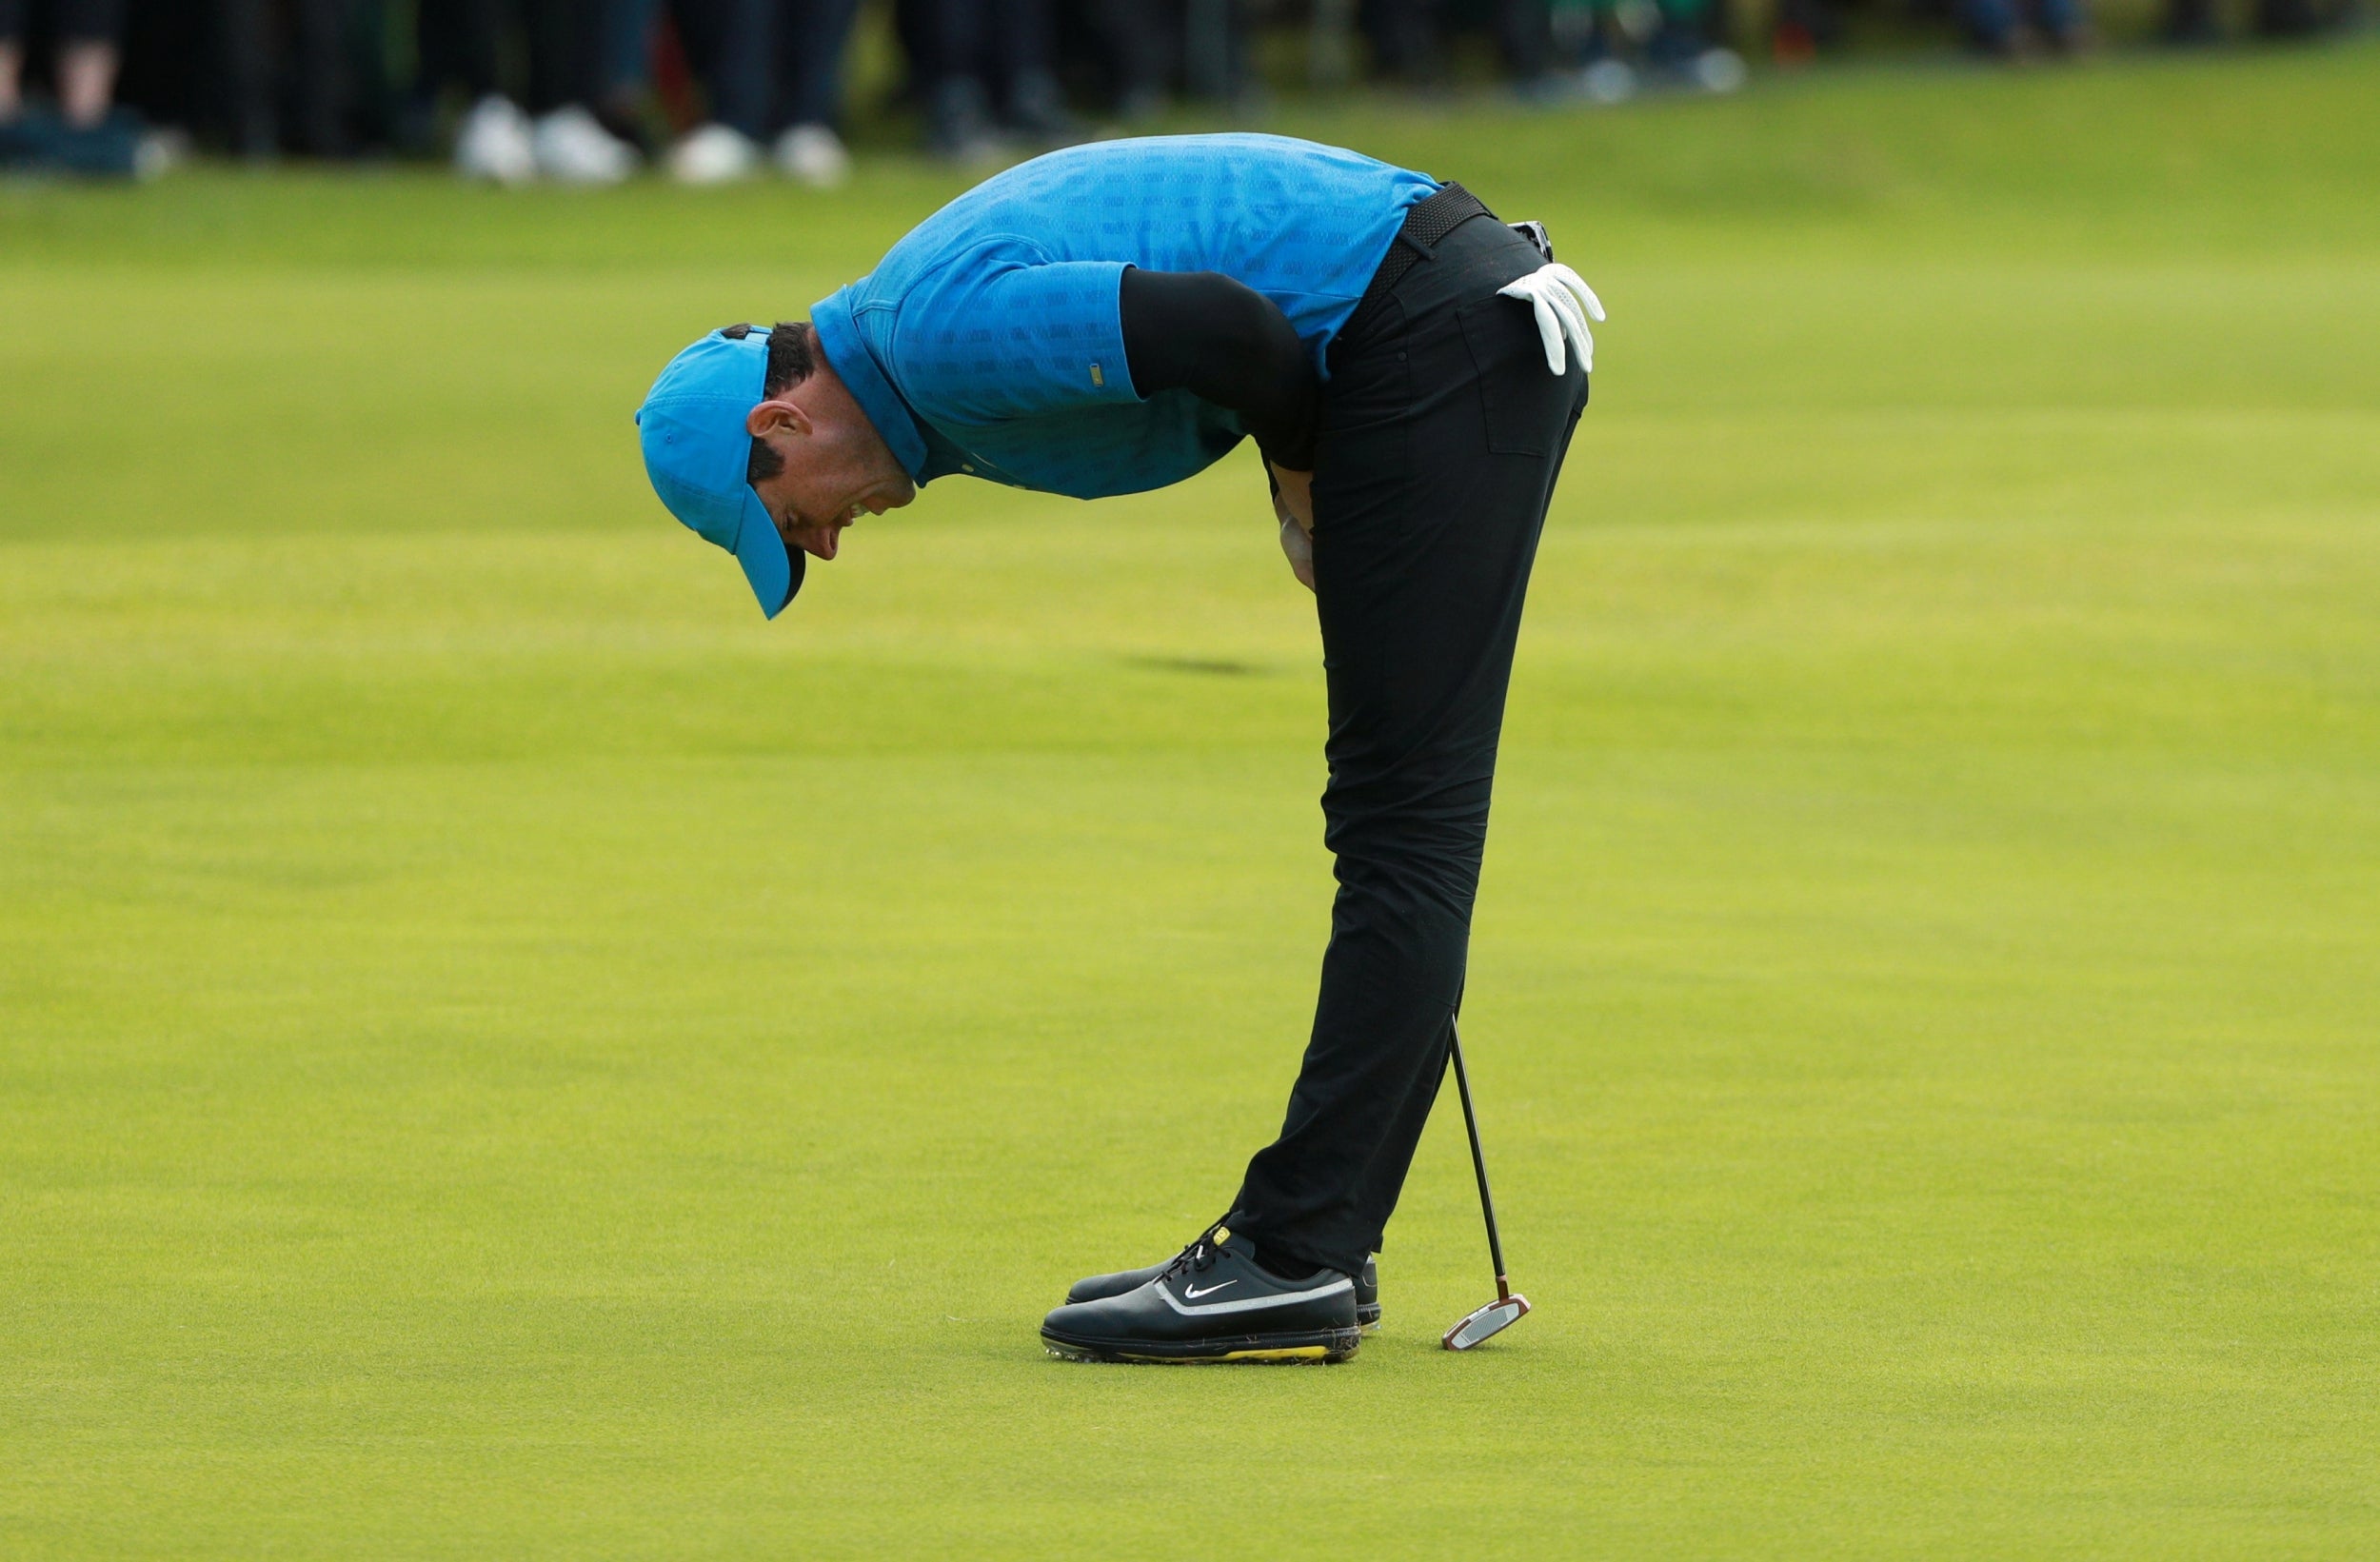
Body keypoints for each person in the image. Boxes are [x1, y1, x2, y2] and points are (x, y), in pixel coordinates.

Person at [633, 135, 1601, 1365]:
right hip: (1437, 329)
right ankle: (1318, 1243)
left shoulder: (931, 340)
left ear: (782, 420)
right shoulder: (910, 353)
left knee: (1402, 820)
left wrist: (1308, 494)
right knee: (1397, 820)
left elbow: (1232, 331)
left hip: (1430, 339)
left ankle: (1293, 1255)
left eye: (788, 518)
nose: (822, 547)